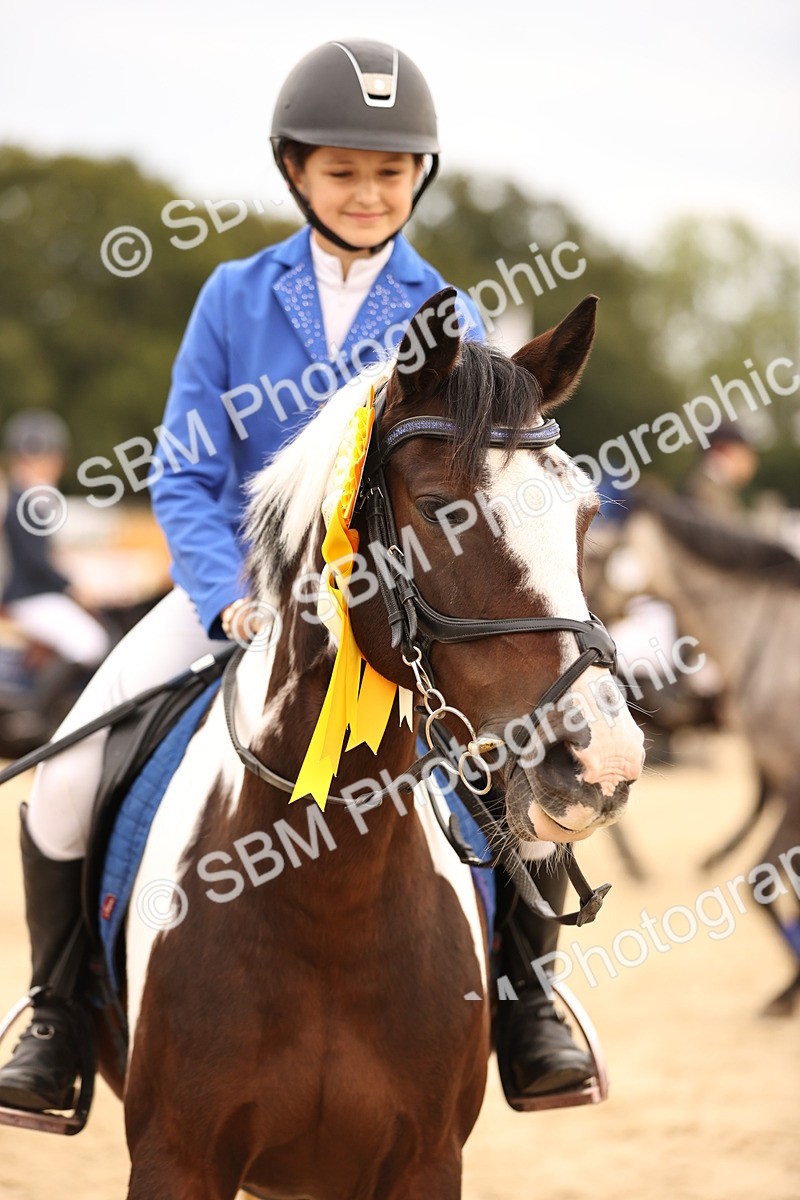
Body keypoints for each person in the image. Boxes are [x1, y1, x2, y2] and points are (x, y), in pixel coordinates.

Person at [0, 39, 594, 1116]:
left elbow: (479, 490)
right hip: (236, 597)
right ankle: (54, 1014)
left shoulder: (446, 313)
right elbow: (185, 471)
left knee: (513, 766)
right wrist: (227, 592)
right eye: (342, 170)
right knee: (70, 771)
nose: (368, 193)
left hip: (389, 612)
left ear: (419, 177)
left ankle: (527, 1005)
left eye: (389, 172)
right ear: (295, 172)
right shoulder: (232, 295)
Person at [0, 410, 111, 674]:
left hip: (39, 594)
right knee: (91, 644)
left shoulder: (33, 502)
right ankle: (47, 701)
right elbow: (37, 562)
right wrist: (72, 589)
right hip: (31, 597)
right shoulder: (22, 505)